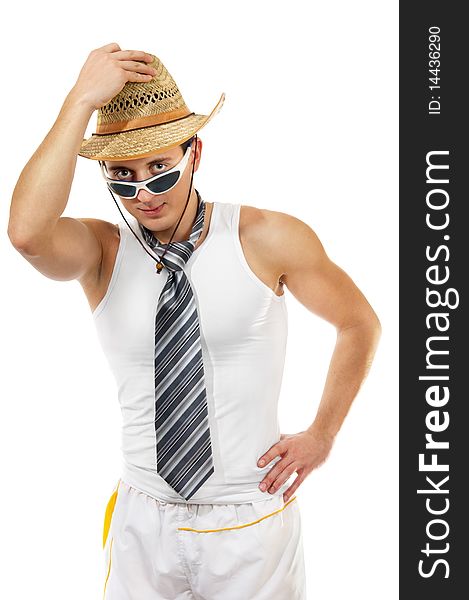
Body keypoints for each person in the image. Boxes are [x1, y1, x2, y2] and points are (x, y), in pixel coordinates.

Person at [7, 42, 381, 599]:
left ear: (196, 153)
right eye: (122, 175)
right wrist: (80, 99)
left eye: (160, 168)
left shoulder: (265, 238)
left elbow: (358, 322)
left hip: (249, 519)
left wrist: (322, 435)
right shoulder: (103, 252)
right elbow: (27, 233)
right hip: (144, 519)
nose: (143, 193)